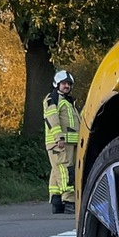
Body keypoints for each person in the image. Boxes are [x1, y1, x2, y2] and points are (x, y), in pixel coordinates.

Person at [43, 70, 80, 214]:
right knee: (66, 171)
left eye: (69, 84)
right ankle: (69, 201)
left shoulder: (68, 101)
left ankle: (57, 201)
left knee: (57, 171)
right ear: (57, 84)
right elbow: (52, 119)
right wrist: (59, 137)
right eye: (64, 83)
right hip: (59, 143)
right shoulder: (53, 98)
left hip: (68, 143)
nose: (67, 86)